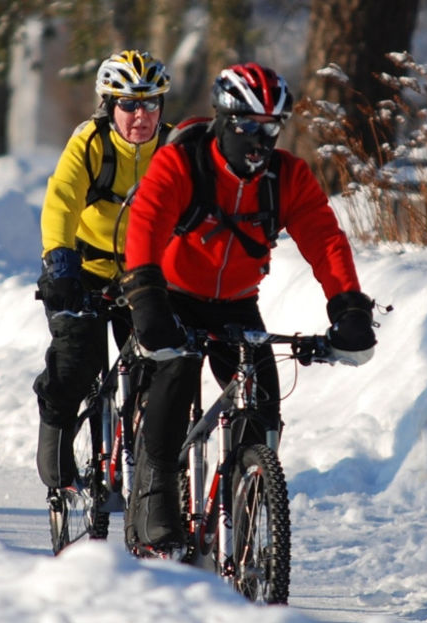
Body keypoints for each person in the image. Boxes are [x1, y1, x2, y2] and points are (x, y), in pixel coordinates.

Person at [119, 62, 377, 551]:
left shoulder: (288, 177)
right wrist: (147, 299)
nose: (260, 140)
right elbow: (146, 225)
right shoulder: (183, 164)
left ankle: (246, 488)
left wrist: (348, 307)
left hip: (237, 304)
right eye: (247, 127)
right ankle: (156, 493)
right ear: (222, 120)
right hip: (172, 295)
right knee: (174, 377)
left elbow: (325, 241)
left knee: (262, 403)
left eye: (271, 128)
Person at [33, 50, 172, 507]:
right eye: (129, 104)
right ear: (109, 105)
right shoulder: (90, 144)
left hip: (144, 273)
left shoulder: (173, 149)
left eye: (150, 104)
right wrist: (58, 263)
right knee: (77, 362)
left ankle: (149, 471)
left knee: (161, 366)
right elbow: (61, 202)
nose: (140, 116)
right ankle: (56, 447)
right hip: (84, 269)